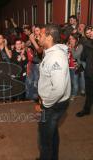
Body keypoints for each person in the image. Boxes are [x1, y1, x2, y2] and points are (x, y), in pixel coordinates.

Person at [36, 24, 71, 160]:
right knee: (52, 134)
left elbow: (59, 89)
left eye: (40, 34)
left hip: (53, 104)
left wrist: (45, 103)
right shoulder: (50, 52)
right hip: (54, 102)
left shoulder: (55, 57)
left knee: (45, 140)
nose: (38, 36)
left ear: (49, 37)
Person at [76, 28, 93, 117]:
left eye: (91, 31)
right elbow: (82, 57)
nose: (90, 34)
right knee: (89, 93)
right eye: (87, 33)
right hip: (89, 72)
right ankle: (86, 110)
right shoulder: (86, 44)